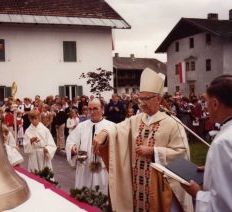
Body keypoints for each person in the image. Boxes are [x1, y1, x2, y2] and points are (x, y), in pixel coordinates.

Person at [93, 68, 193, 211]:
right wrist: (103, 133)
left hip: (161, 187)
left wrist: (154, 151)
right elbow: (117, 129)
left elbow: (182, 153)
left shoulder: (172, 123)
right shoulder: (136, 120)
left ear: (158, 99)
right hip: (138, 184)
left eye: (147, 99)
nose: (142, 103)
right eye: (141, 98)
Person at [182, 75, 232, 211]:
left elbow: (224, 204)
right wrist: (212, 170)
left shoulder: (223, 142)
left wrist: (197, 193)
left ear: (215, 104)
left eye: (207, 102)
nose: (207, 108)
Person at [66, 98, 114, 195]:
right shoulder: (81, 126)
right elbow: (70, 141)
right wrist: (73, 147)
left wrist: (105, 152)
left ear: (102, 109)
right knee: (84, 199)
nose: (92, 112)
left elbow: (117, 150)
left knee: (101, 197)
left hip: (102, 171)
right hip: (84, 169)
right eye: (90, 109)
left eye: (95, 108)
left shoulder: (112, 127)